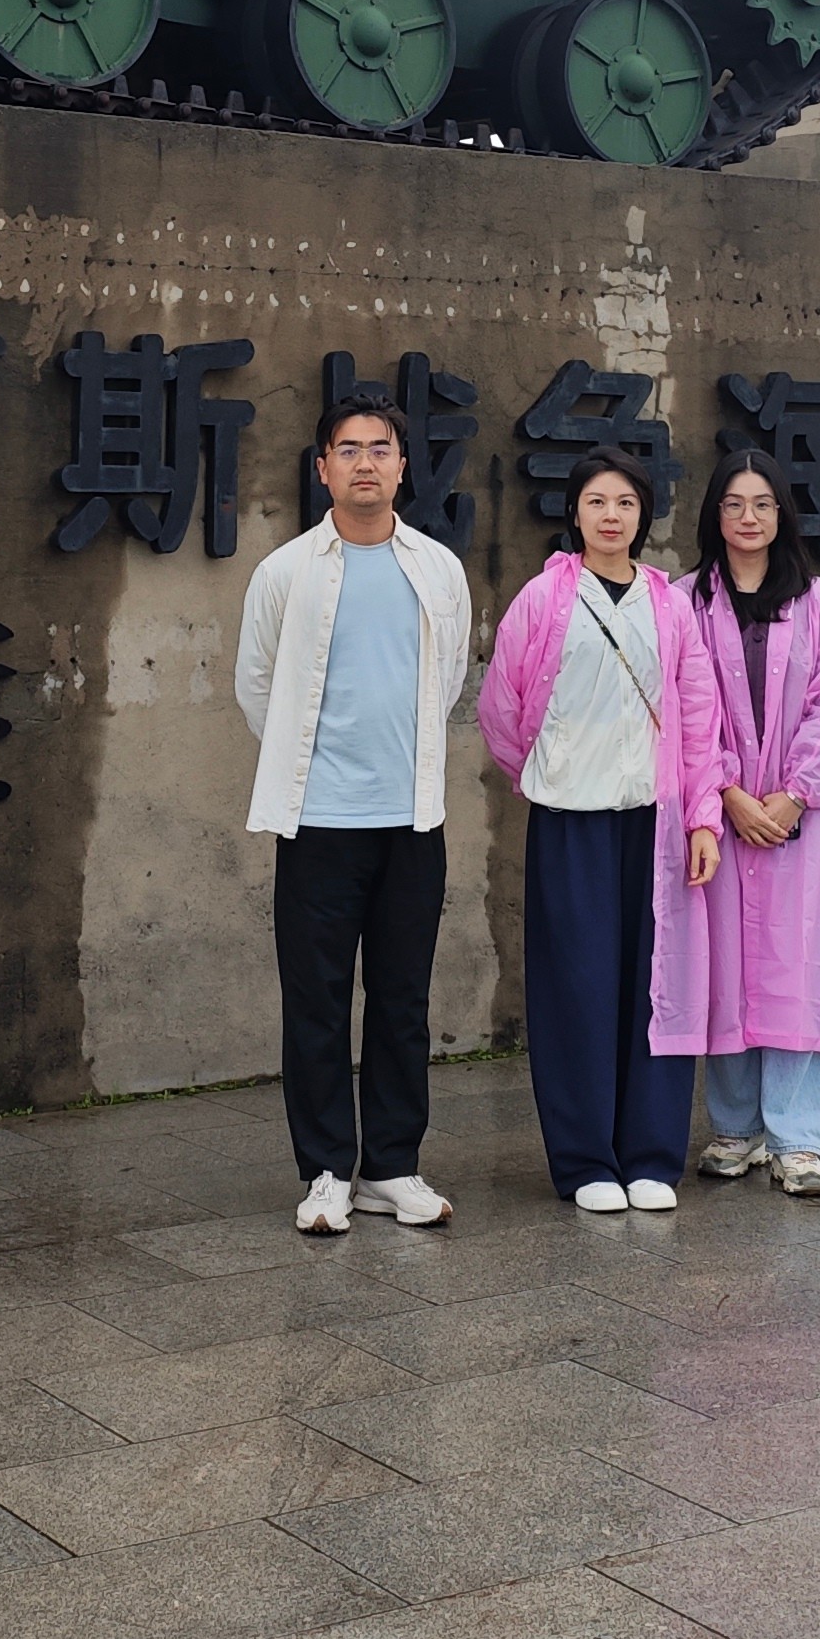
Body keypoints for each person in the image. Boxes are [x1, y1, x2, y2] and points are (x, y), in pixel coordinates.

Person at [235, 386, 479, 1236]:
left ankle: (392, 1167)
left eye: (380, 449)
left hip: (411, 822)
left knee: (403, 1001)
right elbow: (257, 686)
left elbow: (451, 676)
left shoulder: (438, 569)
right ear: (323, 469)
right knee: (317, 1002)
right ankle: (327, 1172)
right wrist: (312, 769)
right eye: (349, 450)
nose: (365, 463)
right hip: (319, 824)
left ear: (403, 467)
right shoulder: (285, 572)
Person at [477, 445, 722, 1211]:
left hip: (656, 822)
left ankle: (651, 1154)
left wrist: (703, 819)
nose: (611, 516)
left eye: (625, 502)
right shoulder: (544, 599)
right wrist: (546, 772)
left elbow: (699, 717)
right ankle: (585, 1161)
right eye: (597, 502)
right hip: (570, 822)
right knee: (577, 989)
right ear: (575, 512)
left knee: (656, 986)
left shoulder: (669, 604)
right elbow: (502, 706)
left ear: (643, 515)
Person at [664, 453, 820, 1195]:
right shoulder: (684, 600)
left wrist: (794, 794)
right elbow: (682, 708)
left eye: (763, 504)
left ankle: (799, 1139)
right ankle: (735, 1127)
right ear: (714, 514)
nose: (749, 518)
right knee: (724, 965)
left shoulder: (817, 602)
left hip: (800, 816)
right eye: (734, 504)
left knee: (797, 965)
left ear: (783, 514)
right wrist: (729, 794)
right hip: (716, 813)